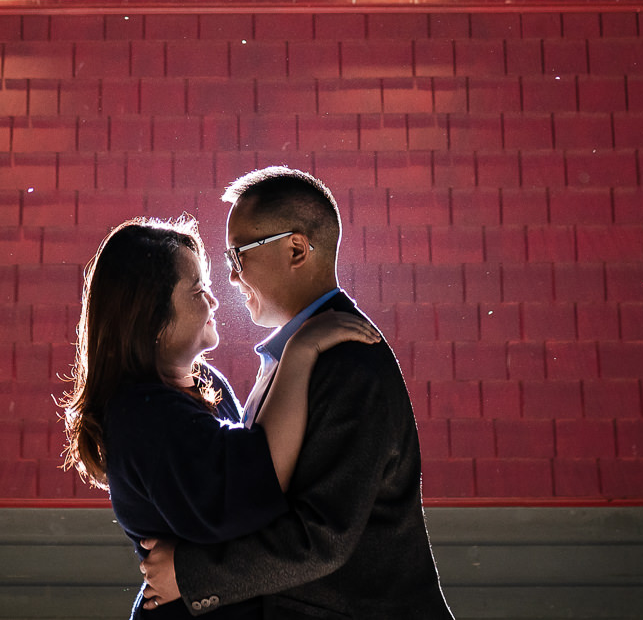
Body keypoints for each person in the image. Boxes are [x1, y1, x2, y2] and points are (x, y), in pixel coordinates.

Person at [137, 167, 455, 618]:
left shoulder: (349, 363)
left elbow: (323, 535)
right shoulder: (298, 355)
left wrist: (190, 574)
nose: (229, 276)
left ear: (297, 248)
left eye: (238, 254)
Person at [61, 216, 382, 620]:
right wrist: (301, 352)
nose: (214, 301)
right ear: (152, 319)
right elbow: (256, 481)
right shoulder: (142, 418)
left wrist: (187, 566)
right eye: (198, 290)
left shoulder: (206, 383)